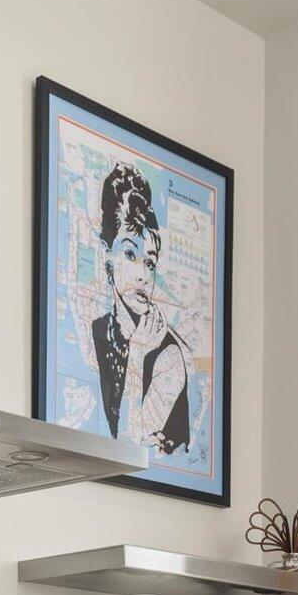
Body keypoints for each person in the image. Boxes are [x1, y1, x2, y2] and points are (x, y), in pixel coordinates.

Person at [89, 161, 191, 457]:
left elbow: (125, 455)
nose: (143, 275)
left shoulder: (168, 355)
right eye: (130, 254)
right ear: (107, 257)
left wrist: (137, 355)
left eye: (150, 262)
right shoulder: (96, 331)